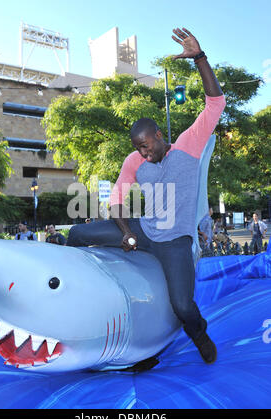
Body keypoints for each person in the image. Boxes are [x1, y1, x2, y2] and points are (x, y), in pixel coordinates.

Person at [67, 28, 226, 366]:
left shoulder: (188, 146)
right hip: (144, 230)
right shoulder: (133, 161)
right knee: (77, 234)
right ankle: (70, 298)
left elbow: (216, 103)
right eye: (137, 148)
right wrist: (125, 231)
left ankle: (200, 334)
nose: (142, 152)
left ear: (158, 135)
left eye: (145, 145)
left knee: (183, 307)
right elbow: (115, 203)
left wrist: (199, 58)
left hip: (175, 241)